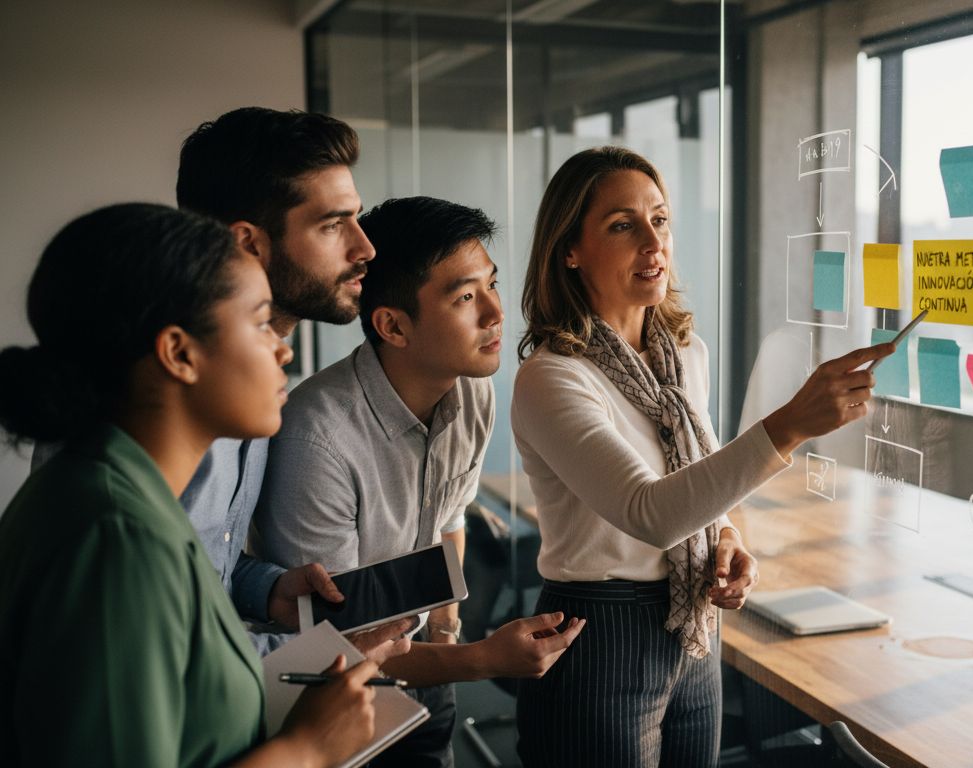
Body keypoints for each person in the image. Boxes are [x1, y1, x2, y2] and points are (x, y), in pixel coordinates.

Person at [511, 146, 895, 767]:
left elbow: (698, 489)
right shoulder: (553, 376)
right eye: (621, 225)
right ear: (570, 251)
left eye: (659, 220)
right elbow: (652, 512)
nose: (651, 241)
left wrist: (726, 540)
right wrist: (791, 425)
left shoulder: (687, 355)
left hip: (692, 628)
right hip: (598, 634)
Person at [0, 203, 383, 767]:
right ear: (179, 353)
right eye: (258, 323)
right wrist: (307, 750)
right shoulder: (117, 538)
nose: (284, 350)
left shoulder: (119, 493)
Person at [253, 196, 585, 768]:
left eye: (491, 285)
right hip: (329, 698)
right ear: (393, 325)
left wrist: (448, 636)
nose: (495, 313)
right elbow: (335, 643)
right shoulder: (316, 438)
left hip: (430, 669)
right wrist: (482, 659)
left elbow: (449, 521)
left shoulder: (472, 389)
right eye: (464, 297)